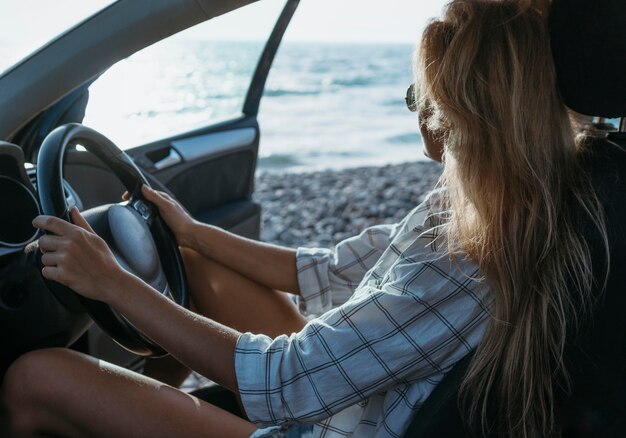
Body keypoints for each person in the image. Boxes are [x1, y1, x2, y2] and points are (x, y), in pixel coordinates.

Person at [0, 0, 608, 437]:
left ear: (458, 116)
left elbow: (284, 380)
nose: (417, 115)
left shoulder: (466, 261)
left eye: (419, 98)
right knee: (193, 267)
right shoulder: (500, 203)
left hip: (329, 423)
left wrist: (111, 283)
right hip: (350, 399)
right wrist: (192, 234)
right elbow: (332, 269)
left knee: (35, 378)